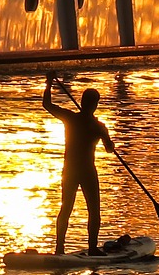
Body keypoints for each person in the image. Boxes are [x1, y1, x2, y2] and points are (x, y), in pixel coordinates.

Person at [43, 72, 115, 254]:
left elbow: (47, 104)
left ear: (84, 103)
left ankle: (60, 248)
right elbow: (109, 149)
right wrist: (107, 138)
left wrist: (49, 84)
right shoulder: (98, 127)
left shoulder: (72, 119)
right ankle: (91, 248)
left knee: (67, 208)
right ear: (95, 105)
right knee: (93, 211)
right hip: (86, 172)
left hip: (71, 171)